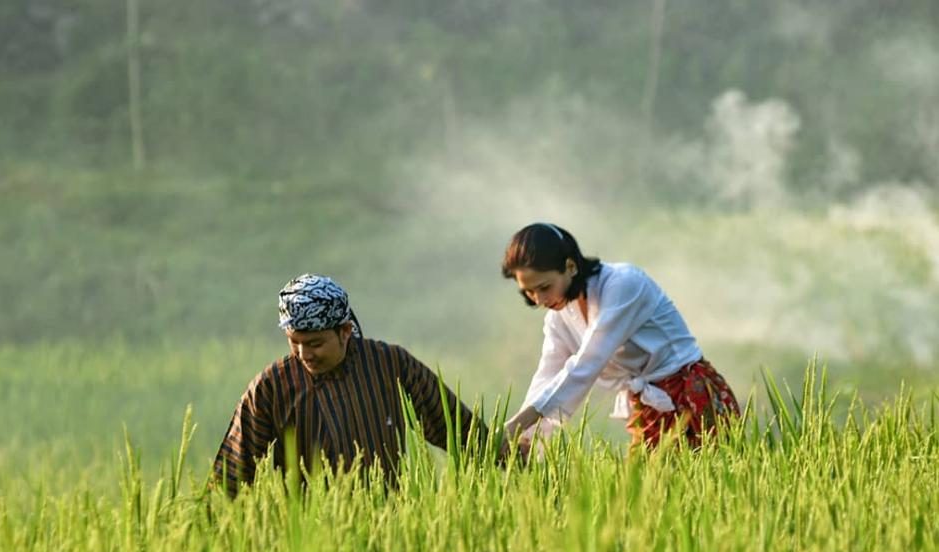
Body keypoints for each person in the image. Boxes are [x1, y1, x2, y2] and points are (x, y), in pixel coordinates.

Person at [211, 274, 479, 496]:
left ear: (345, 332)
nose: (304, 354)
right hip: (306, 541)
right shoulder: (270, 388)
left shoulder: (390, 365)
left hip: (389, 529)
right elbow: (230, 476)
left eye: (315, 343)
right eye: (294, 342)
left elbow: (459, 429)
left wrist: (511, 454)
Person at [500, 223, 739, 457]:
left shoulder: (623, 284)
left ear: (570, 266)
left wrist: (519, 423)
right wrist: (527, 439)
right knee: (652, 491)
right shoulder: (558, 318)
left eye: (544, 287)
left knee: (701, 478)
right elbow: (547, 375)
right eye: (529, 292)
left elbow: (589, 361)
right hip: (648, 407)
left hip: (689, 393)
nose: (539, 299)